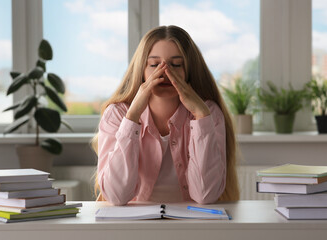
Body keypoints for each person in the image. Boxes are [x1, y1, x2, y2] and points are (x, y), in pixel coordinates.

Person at [92, 25, 239, 206]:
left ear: (189, 71)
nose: (165, 72)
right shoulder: (116, 114)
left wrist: (201, 116)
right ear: (141, 70)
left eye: (176, 65)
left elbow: (205, 195)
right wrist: (132, 118)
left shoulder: (209, 114)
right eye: (154, 65)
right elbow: (116, 196)